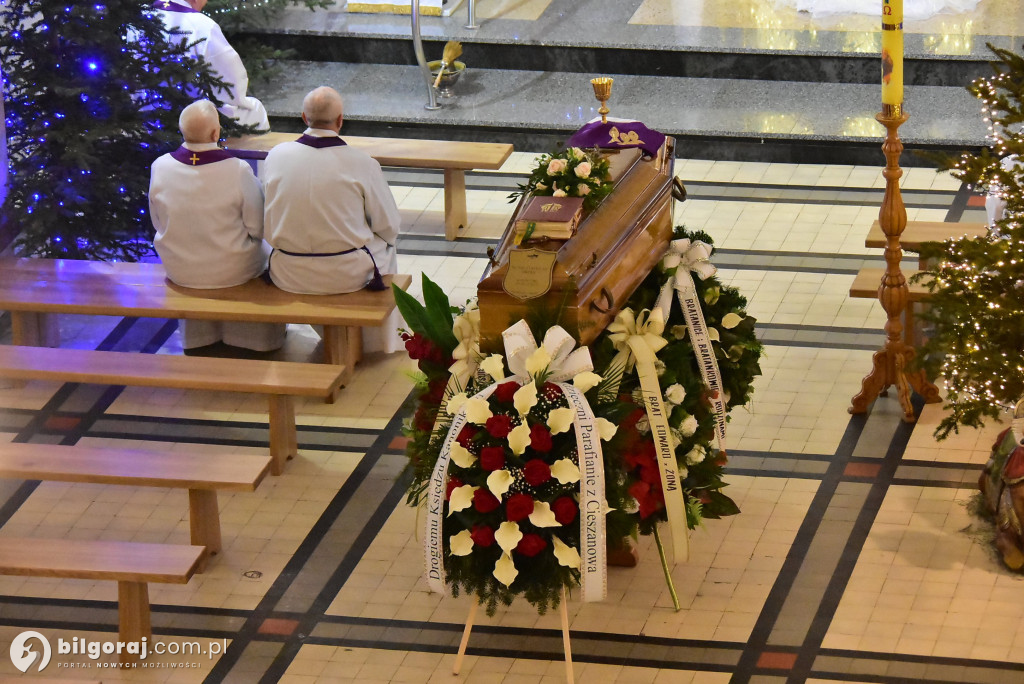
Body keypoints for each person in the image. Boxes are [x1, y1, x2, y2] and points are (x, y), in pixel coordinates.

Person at [262, 86, 401, 352]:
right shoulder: (362, 162)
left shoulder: (276, 156)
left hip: (288, 272)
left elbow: (267, 215)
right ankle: (377, 344)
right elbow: (389, 225)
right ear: (340, 120)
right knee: (388, 245)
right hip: (348, 275)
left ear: (303, 117)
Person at [148, 99, 285, 352]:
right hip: (233, 269)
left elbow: (158, 221)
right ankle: (253, 341)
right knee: (270, 252)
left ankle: (198, 341)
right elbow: (258, 227)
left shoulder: (160, 166)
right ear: (215, 132)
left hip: (180, 268)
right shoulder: (237, 170)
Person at [153, 0, 269, 129]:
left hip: (141, 111)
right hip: (191, 115)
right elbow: (230, 83)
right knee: (255, 110)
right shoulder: (202, 25)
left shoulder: (139, 19)